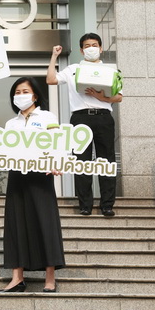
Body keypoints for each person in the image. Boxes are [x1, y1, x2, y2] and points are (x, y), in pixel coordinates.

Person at [0, 77, 65, 293]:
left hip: (41, 175)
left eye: (25, 91)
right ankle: (17, 278)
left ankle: (50, 278)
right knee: (15, 223)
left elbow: (57, 142)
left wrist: (57, 161)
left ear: (35, 95)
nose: (20, 95)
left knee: (45, 222)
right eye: (17, 92)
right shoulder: (11, 123)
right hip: (17, 175)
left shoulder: (47, 117)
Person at [48, 33, 122, 216]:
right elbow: (51, 80)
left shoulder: (111, 70)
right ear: (81, 50)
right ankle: (85, 205)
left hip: (103, 117)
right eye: (87, 46)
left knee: (106, 160)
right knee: (81, 161)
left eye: (94, 45)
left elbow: (119, 97)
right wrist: (54, 56)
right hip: (80, 118)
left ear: (101, 48)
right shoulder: (73, 69)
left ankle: (107, 205)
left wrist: (101, 97)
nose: (91, 49)